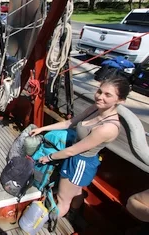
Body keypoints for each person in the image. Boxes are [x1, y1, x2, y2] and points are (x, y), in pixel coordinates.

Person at [30, 75, 130, 218]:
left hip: (80, 163)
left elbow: (73, 150)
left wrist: (48, 157)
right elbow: (69, 123)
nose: (100, 97)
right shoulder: (94, 109)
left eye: (108, 95)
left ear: (120, 100)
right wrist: (42, 129)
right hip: (73, 156)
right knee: (75, 190)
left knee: (64, 200)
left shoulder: (108, 128)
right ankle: (75, 213)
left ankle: (45, 223)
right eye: (99, 91)